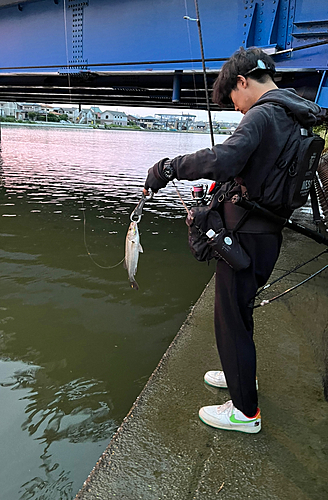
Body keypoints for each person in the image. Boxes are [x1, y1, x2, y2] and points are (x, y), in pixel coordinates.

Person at [143, 47, 321, 434]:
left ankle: (244, 412)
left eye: (233, 100)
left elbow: (223, 159)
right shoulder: (295, 113)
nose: (236, 109)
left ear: (242, 82)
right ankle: (241, 376)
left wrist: (169, 167)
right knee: (241, 313)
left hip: (244, 237)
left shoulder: (263, 114)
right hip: (266, 236)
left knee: (230, 322)